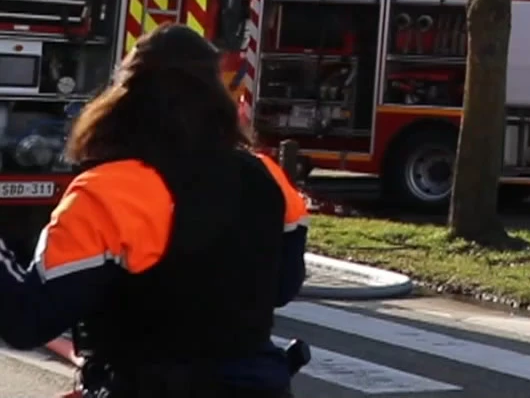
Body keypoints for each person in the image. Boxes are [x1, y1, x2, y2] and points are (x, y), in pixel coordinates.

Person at [0, 24, 309, 397]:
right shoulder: (268, 177)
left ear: (123, 99)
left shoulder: (107, 192)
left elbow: (27, 322)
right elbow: (282, 287)